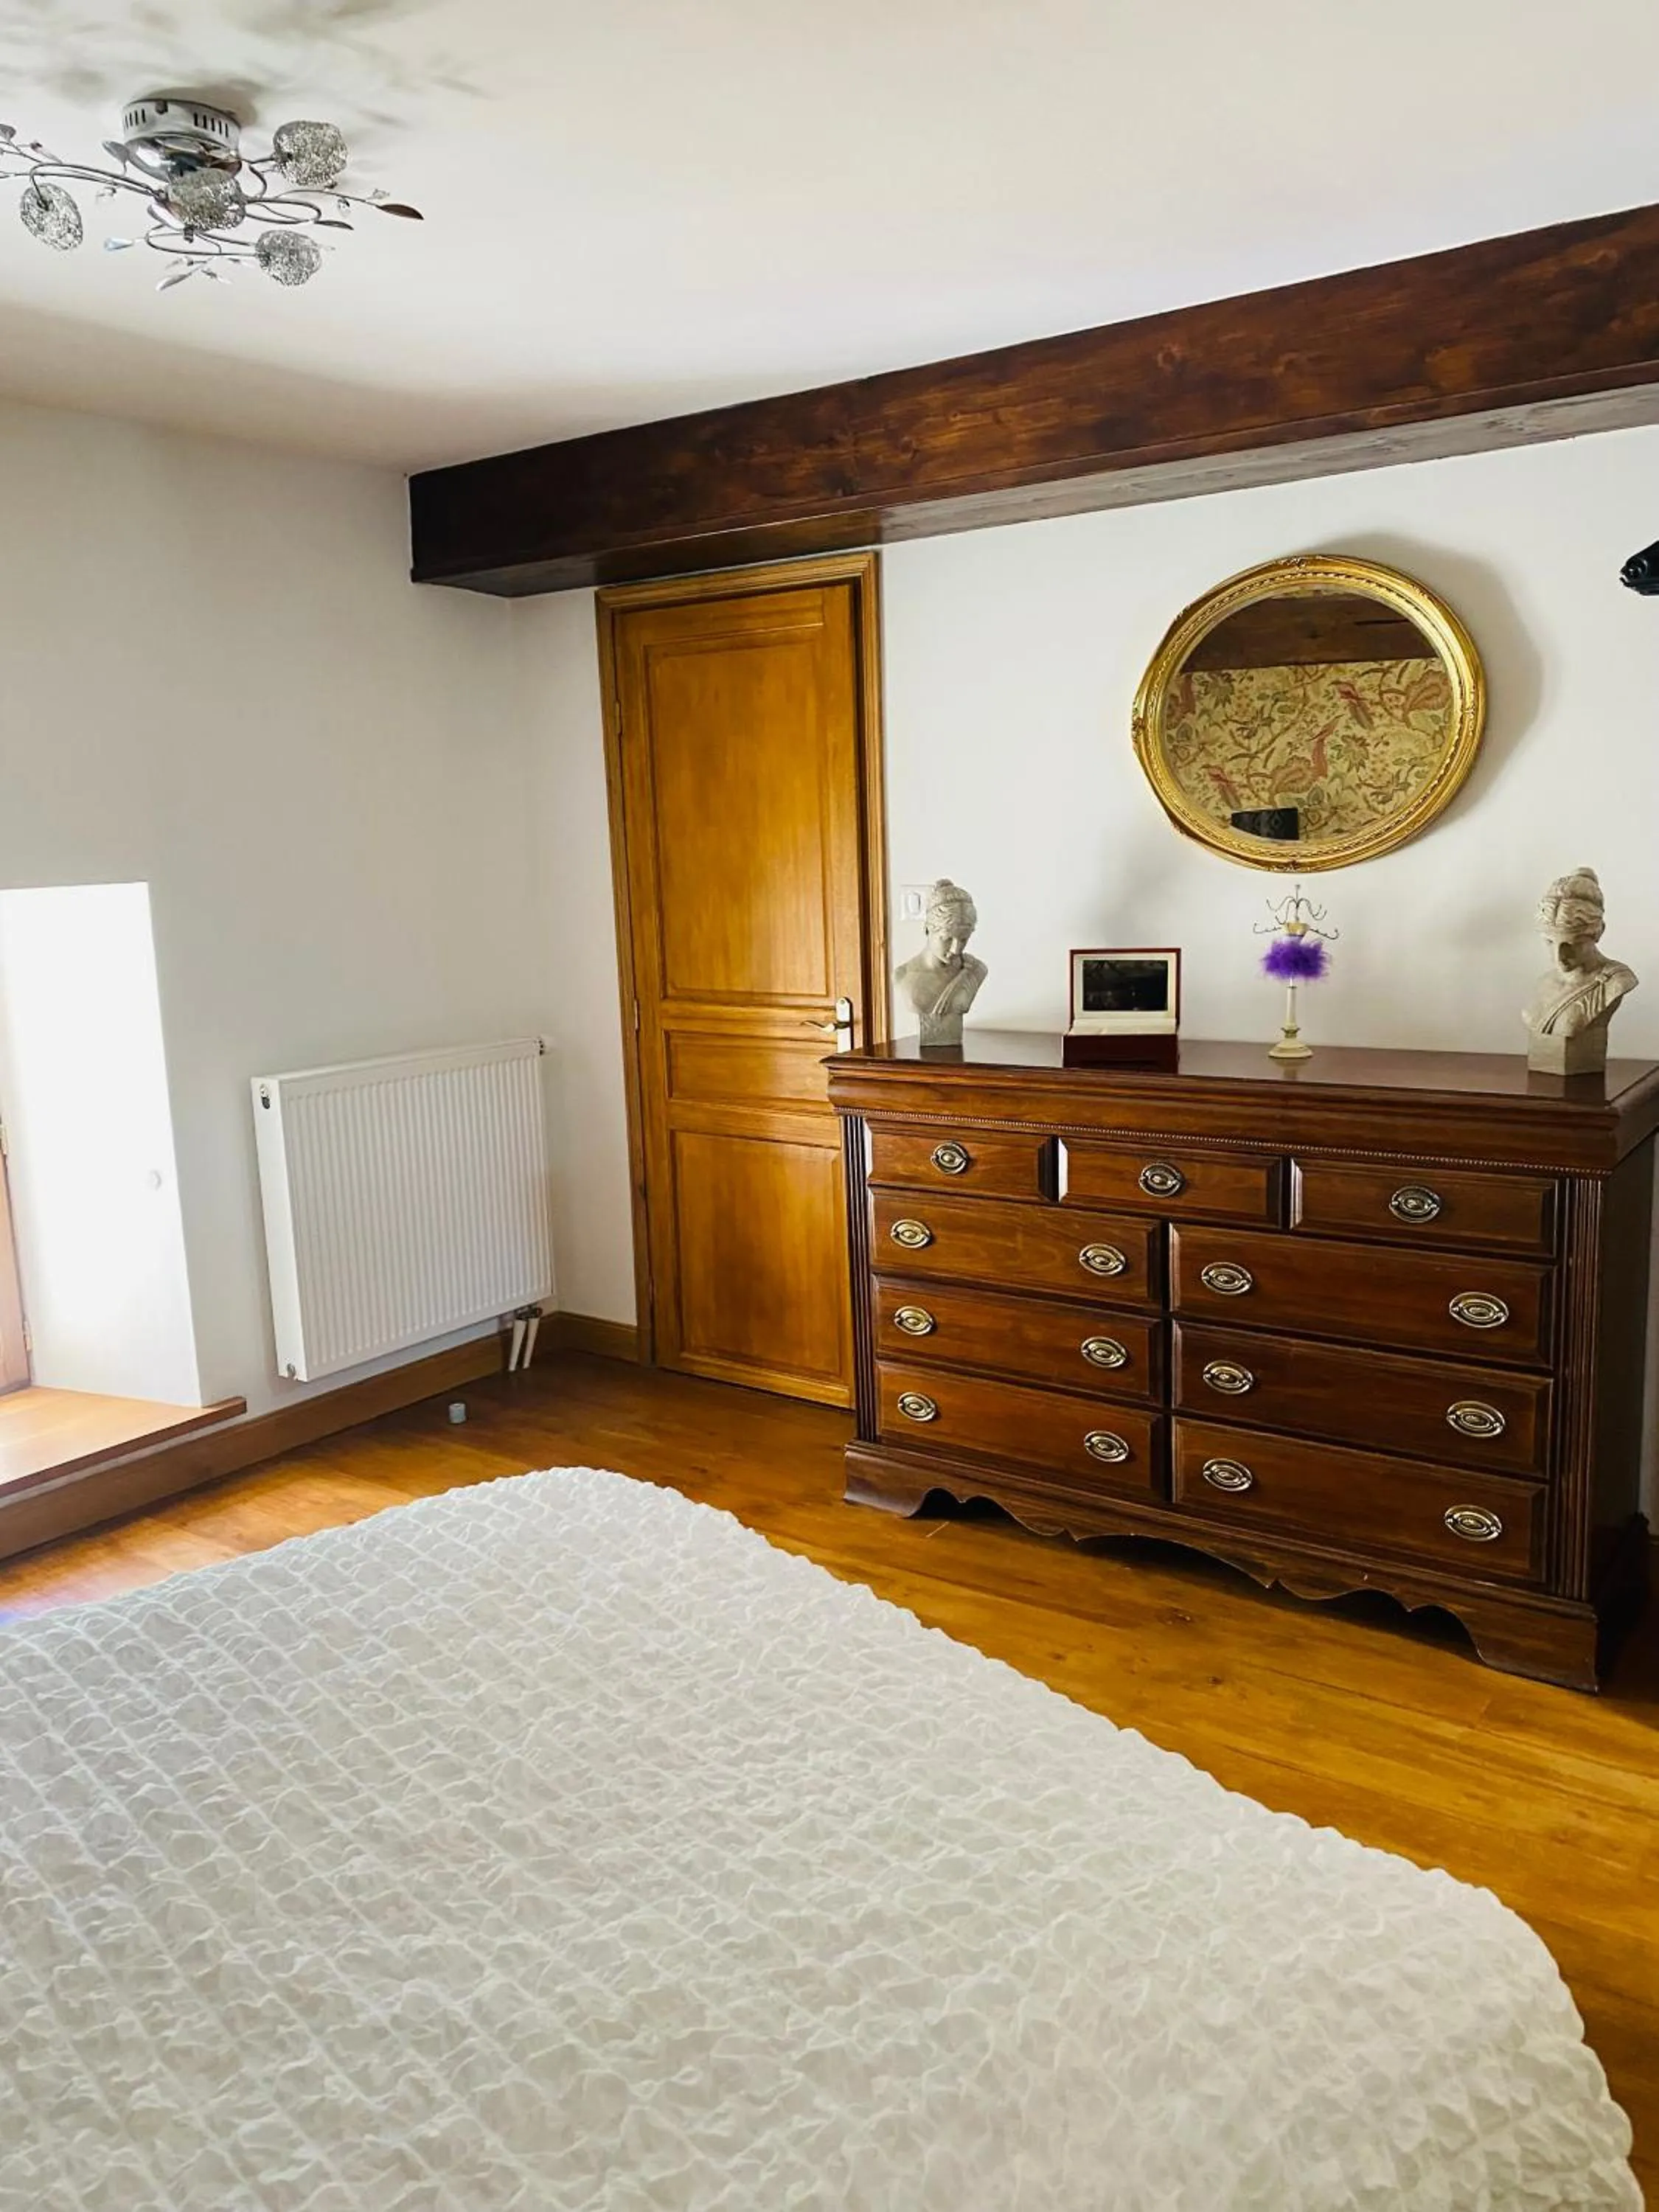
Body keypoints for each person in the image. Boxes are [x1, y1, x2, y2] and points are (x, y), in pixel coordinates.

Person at [1523, 868, 1638, 1074]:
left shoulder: (1616, 981)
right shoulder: (1544, 982)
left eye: (1573, 943)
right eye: (1550, 942)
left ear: (1598, 931)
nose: (1559, 957)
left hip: (1584, 1079)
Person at [895, 879, 987, 1046]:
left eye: (964, 939)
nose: (956, 950)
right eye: (947, 939)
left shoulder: (975, 970)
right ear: (927, 929)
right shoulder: (903, 976)